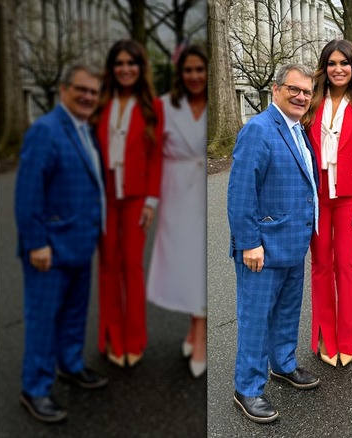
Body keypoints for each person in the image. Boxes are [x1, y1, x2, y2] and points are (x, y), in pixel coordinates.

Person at [15, 65, 108, 423]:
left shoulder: (85, 130)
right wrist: (36, 243)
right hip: (49, 250)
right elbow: (28, 192)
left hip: (79, 243)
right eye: (81, 89)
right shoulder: (45, 130)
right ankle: (35, 388)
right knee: (43, 320)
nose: (87, 96)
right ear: (64, 90)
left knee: (74, 312)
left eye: (93, 92)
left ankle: (70, 364)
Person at [227, 64, 321, 423]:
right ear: (276, 90)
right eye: (294, 89)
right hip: (261, 249)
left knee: (286, 311)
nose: (301, 96)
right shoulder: (259, 129)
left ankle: (282, 364)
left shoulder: (298, 130)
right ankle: (247, 388)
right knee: (255, 319)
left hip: (292, 243)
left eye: (306, 92)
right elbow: (240, 192)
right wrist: (249, 243)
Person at [301, 39, 352, 367]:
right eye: (332, 63)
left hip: (348, 199)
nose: (338, 69)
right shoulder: (311, 102)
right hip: (317, 196)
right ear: (324, 68)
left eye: (344, 63)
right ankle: (324, 336)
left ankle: (347, 338)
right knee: (321, 266)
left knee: (344, 266)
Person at [92, 39, 164, 368]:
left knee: (132, 266)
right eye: (119, 63)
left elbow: (156, 156)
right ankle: (111, 335)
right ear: (112, 68)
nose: (125, 69)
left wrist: (151, 201)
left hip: (135, 197)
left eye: (130, 63)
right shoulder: (100, 105)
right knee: (108, 266)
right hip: (104, 195)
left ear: (140, 68)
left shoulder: (151, 107)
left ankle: (134, 338)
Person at [146, 45, 208, 377]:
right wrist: (151, 200)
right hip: (176, 191)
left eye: (200, 69)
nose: (194, 76)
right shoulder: (164, 106)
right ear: (180, 74)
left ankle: (200, 334)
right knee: (185, 265)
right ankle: (193, 326)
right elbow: (154, 155)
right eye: (188, 70)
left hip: (203, 189)